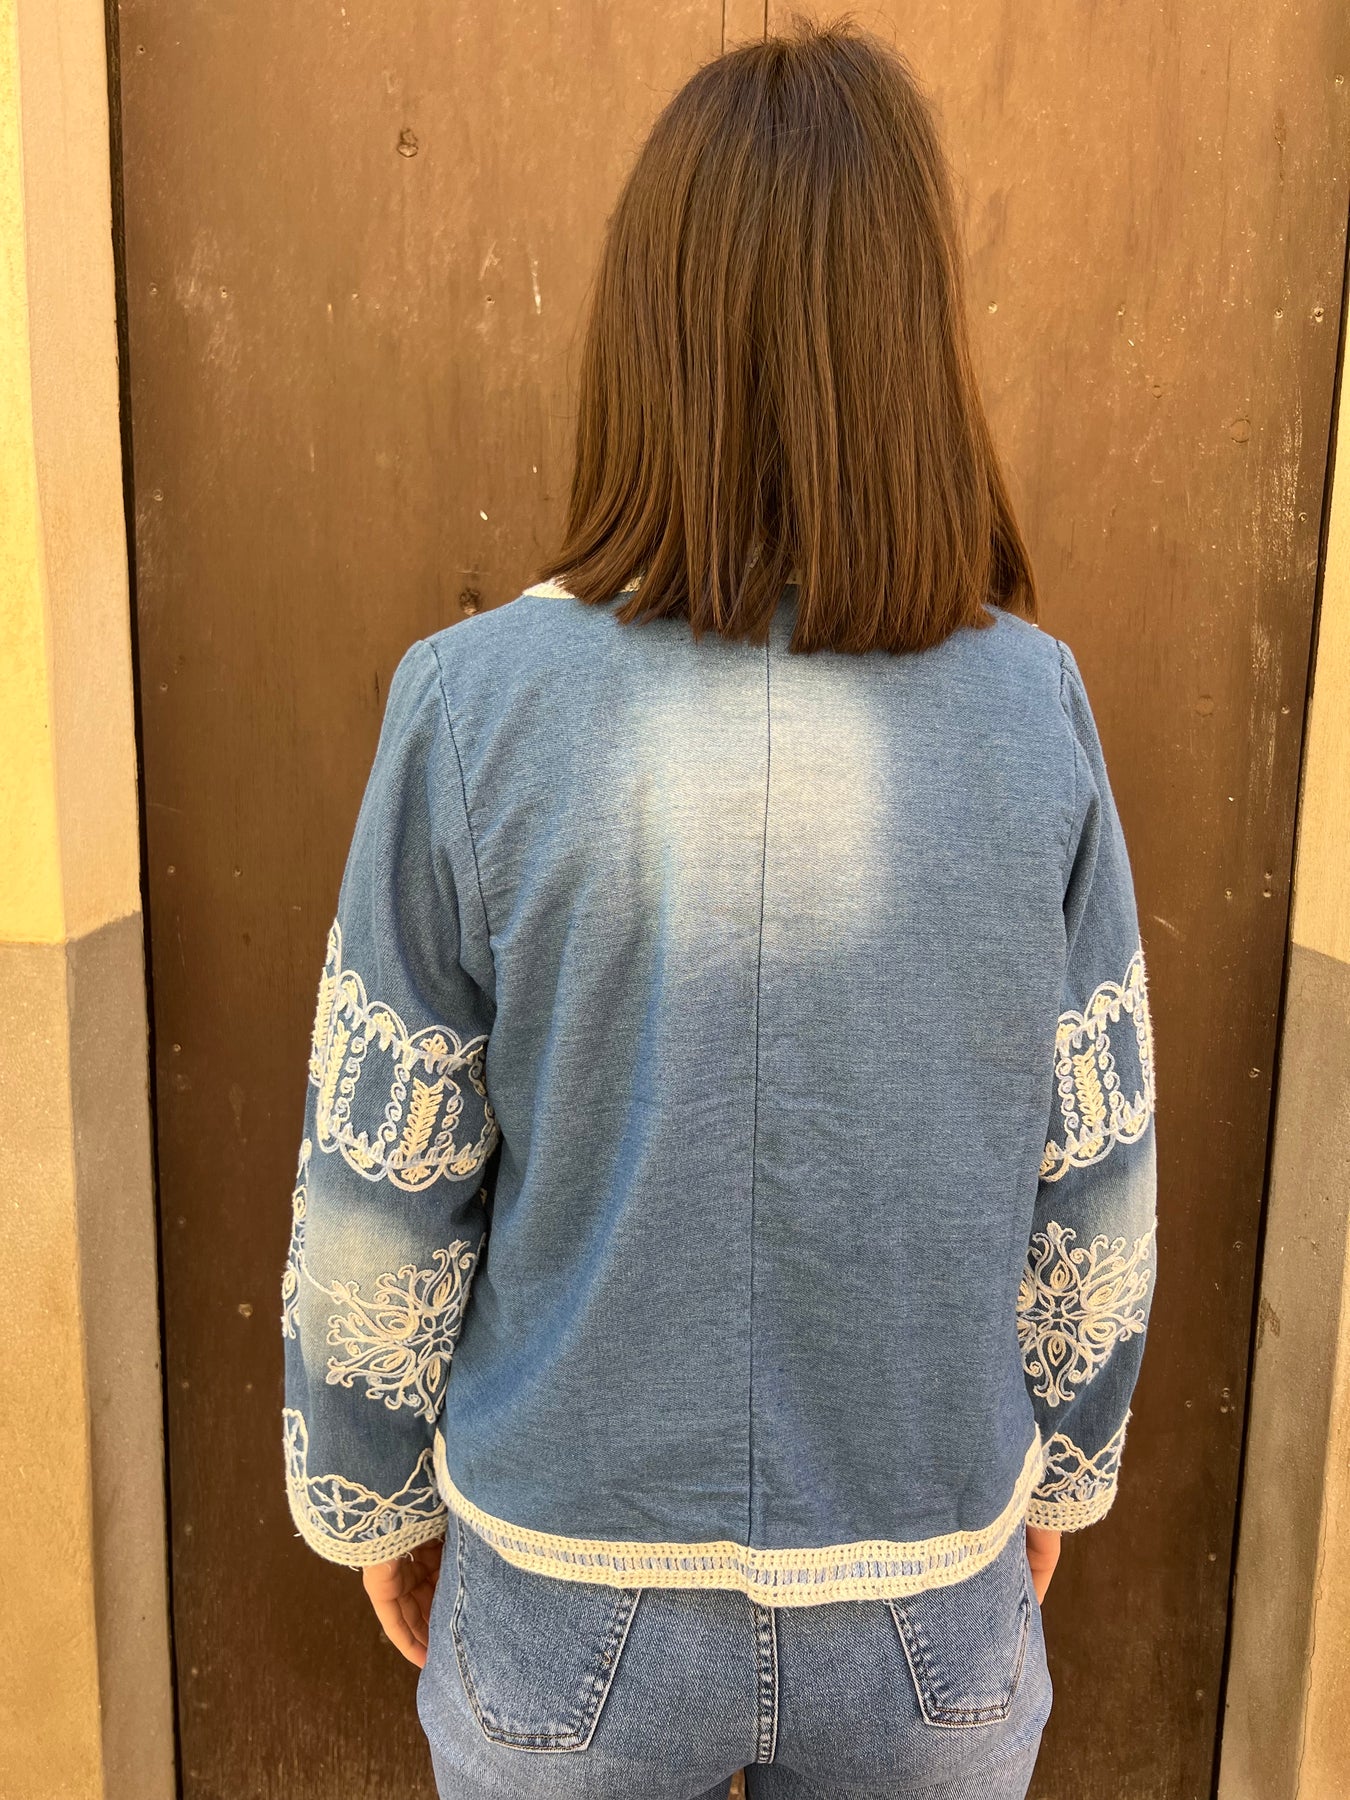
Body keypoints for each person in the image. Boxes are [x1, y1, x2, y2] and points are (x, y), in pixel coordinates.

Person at [280, 15, 1159, 1798]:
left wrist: (368, 1501)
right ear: (915, 339)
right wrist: (1052, 1474)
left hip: (563, 1582)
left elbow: (384, 1177)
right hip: (927, 1585)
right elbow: (1094, 1158)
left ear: (643, 330)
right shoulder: (1030, 709)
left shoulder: (471, 707)